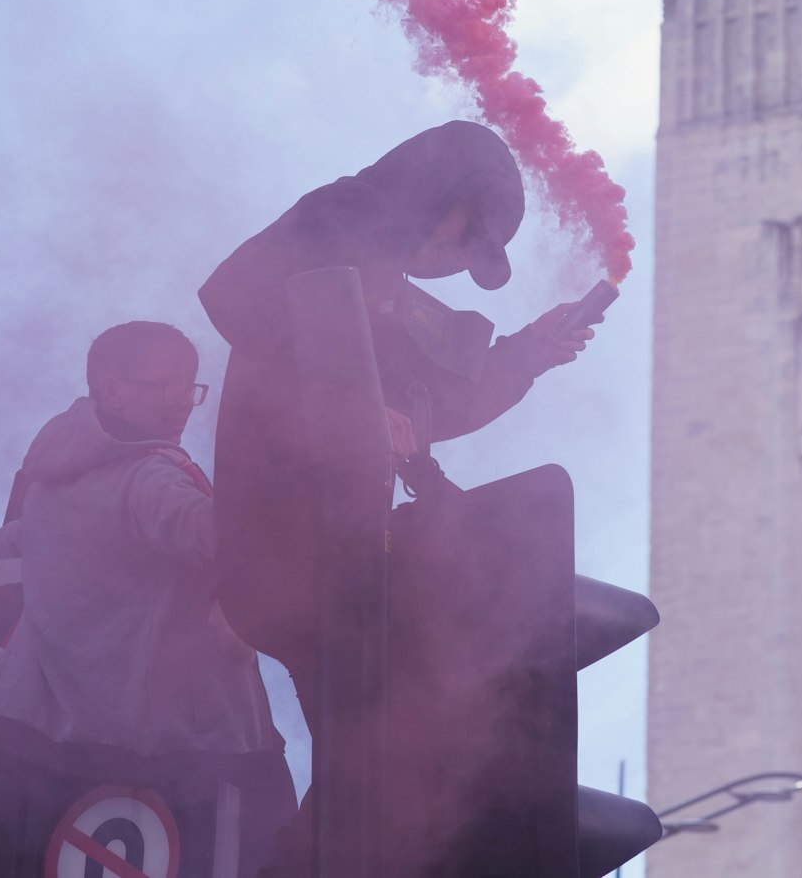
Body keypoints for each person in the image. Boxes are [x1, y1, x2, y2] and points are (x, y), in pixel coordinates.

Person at [198, 120, 600, 717]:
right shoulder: (344, 212)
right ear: (442, 190)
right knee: (380, 734)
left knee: (388, 741)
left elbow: (427, 407)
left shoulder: (388, 280)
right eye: (469, 235)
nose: (460, 259)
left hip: (342, 548)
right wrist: (353, 405)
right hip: (285, 543)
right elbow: (231, 293)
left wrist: (531, 351)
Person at [0, 320, 297, 876]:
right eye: (165, 384)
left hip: (37, 744)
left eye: (189, 386)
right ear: (112, 389)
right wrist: (301, 468)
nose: (182, 403)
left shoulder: (52, 475)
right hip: (179, 762)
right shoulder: (149, 478)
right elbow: (223, 539)